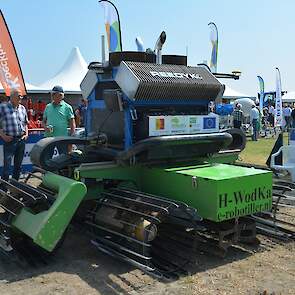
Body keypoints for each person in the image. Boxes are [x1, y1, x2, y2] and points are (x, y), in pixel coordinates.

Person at [0, 91, 28, 182]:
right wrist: (3, 135)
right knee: (7, 166)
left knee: (18, 165)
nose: (21, 98)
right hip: (9, 140)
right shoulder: (2, 107)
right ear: (12, 97)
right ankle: (4, 187)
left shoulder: (22, 108)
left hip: (21, 140)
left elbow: (25, 123)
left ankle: (15, 186)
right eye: (19, 96)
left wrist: (26, 134)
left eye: (21, 96)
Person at [43, 86, 76, 155]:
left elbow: (72, 123)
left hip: (62, 138)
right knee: (47, 159)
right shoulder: (48, 106)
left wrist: (72, 136)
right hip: (49, 138)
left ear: (61, 95)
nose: (52, 96)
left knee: (63, 158)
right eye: (52, 94)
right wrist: (45, 127)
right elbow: (43, 121)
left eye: (54, 94)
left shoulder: (67, 107)